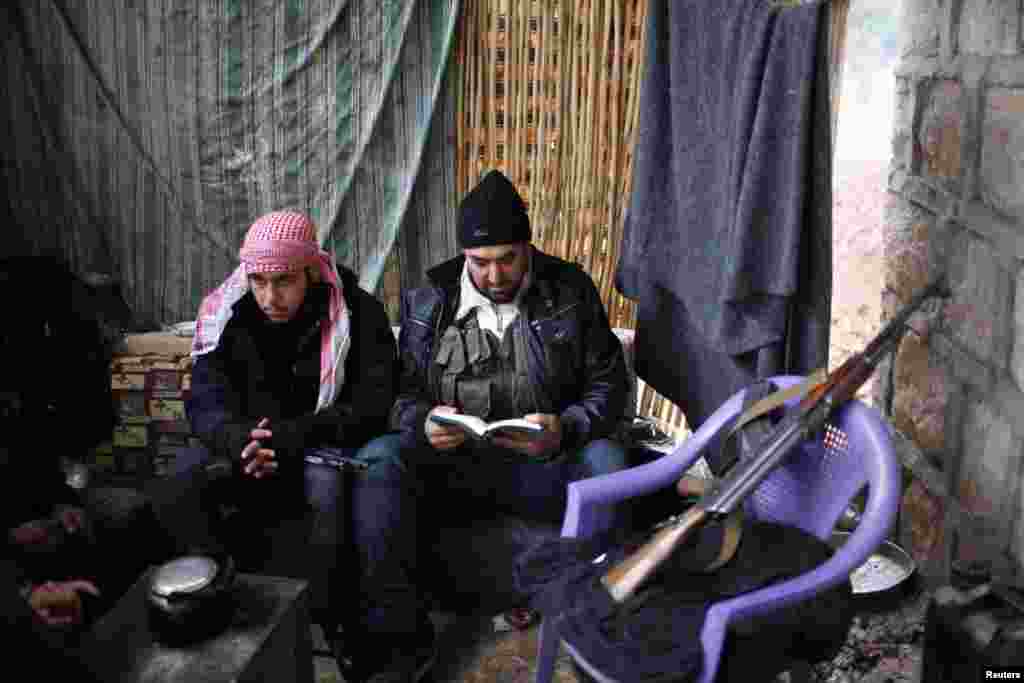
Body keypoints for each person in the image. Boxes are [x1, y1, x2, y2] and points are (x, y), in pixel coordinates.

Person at [345, 169, 630, 682]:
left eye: (507, 260)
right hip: (455, 465)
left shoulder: (569, 290)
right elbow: (396, 395)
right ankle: (397, 647)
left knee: (608, 461)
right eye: (480, 262)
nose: (494, 276)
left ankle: (596, 635)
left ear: (528, 248)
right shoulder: (427, 299)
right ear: (463, 256)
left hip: (544, 465)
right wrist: (421, 424)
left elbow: (610, 389)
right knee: (378, 459)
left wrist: (565, 427)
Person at [149, 209, 398, 646]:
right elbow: (206, 398)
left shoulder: (358, 313)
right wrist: (238, 439)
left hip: (320, 443)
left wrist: (287, 437)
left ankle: (328, 622)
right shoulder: (231, 315)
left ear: (310, 272)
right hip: (246, 445)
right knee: (179, 481)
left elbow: (370, 405)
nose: (269, 296)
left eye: (283, 281)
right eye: (259, 281)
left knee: (326, 482)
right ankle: (214, 596)